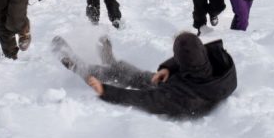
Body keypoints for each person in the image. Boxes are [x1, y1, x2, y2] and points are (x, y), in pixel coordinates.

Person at [55, 33, 236, 118]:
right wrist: (168, 68)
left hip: (177, 92)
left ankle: (80, 68)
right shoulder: (220, 64)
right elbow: (193, 54)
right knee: (140, 75)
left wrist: (105, 91)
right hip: (183, 81)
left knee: (135, 79)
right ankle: (113, 63)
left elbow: (143, 99)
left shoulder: (184, 99)